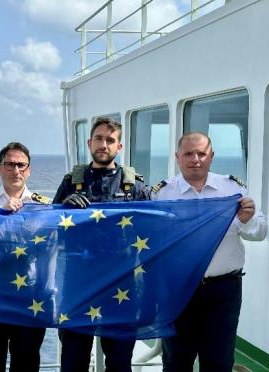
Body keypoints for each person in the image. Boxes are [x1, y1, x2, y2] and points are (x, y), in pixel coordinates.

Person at [152, 132, 267, 371]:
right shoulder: (162, 194)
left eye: (201, 153)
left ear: (211, 156)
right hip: (178, 289)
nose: (196, 159)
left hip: (222, 291)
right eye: (189, 154)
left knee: (219, 360)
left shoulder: (233, 189)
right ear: (177, 157)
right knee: (176, 360)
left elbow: (259, 233)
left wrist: (246, 220)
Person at [53, 117, 149, 372]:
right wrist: (64, 208)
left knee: (119, 362)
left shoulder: (135, 186)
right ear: (89, 142)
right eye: (99, 138)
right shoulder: (70, 183)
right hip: (78, 284)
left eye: (110, 140)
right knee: (73, 360)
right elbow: (53, 229)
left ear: (119, 146)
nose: (103, 144)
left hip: (121, 286)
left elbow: (152, 233)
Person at [0, 142, 51, 372]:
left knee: (26, 363)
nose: (15, 170)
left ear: (29, 170)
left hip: (29, 296)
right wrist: (2, 216)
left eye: (21, 165)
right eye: (9, 164)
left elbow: (49, 251)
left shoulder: (42, 206)